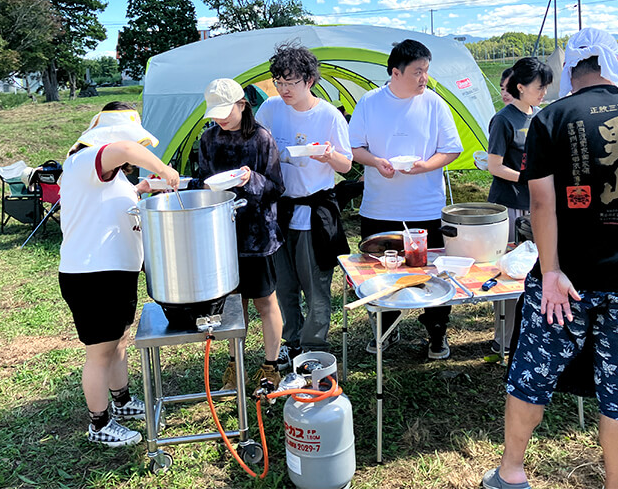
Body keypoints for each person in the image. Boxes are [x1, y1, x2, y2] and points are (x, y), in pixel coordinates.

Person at [482, 28, 618, 489]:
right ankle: (617, 485)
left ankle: (511, 473)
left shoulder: (551, 119)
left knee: (532, 372)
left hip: (564, 282)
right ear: (612, 65)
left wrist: (550, 271)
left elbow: (541, 203)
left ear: (571, 69)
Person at [58, 102, 180, 447]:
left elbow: (108, 201)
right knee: (99, 353)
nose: (131, 152)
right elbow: (126, 148)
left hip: (113, 273)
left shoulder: (108, 173)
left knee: (117, 344)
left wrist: (140, 190)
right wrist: (166, 171)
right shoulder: (86, 159)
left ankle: (122, 402)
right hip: (92, 275)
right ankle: (99, 424)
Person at [348, 39, 463, 359]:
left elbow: (452, 149)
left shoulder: (435, 104)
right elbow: (354, 147)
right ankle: (386, 327)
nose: (424, 78)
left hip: (425, 206)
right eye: (418, 72)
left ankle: (437, 332)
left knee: (433, 273)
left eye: (426, 71)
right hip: (380, 206)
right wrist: (375, 162)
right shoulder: (370, 103)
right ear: (395, 72)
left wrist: (427, 166)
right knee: (380, 272)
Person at [256, 43, 352, 368]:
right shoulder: (269, 109)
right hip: (279, 211)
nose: (284, 89)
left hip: (314, 211)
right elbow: (257, 146)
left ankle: (313, 347)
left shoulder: (327, 115)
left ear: (309, 80)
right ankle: (292, 342)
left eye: (291, 82)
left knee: (315, 285)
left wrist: (328, 155)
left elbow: (346, 166)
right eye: (279, 82)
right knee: (283, 284)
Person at [189, 78, 286, 389]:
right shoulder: (208, 140)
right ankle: (235, 365)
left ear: (242, 105)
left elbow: (276, 188)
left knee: (265, 301)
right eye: (215, 113)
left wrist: (250, 178)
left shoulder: (261, 139)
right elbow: (203, 181)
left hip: (257, 235)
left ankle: (271, 366)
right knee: (233, 306)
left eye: (225, 111)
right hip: (220, 233)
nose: (220, 118)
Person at [487, 57, 552, 355]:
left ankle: (533, 333)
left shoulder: (539, 116)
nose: (544, 93)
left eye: (546, 87)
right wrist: (528, 179)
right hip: (510, 204)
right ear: (521, 87)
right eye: (539, 87)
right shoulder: (504, 119)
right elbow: (494, 166)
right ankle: (504, 338)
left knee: (536, 268)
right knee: (510, 272)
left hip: (536, 205)